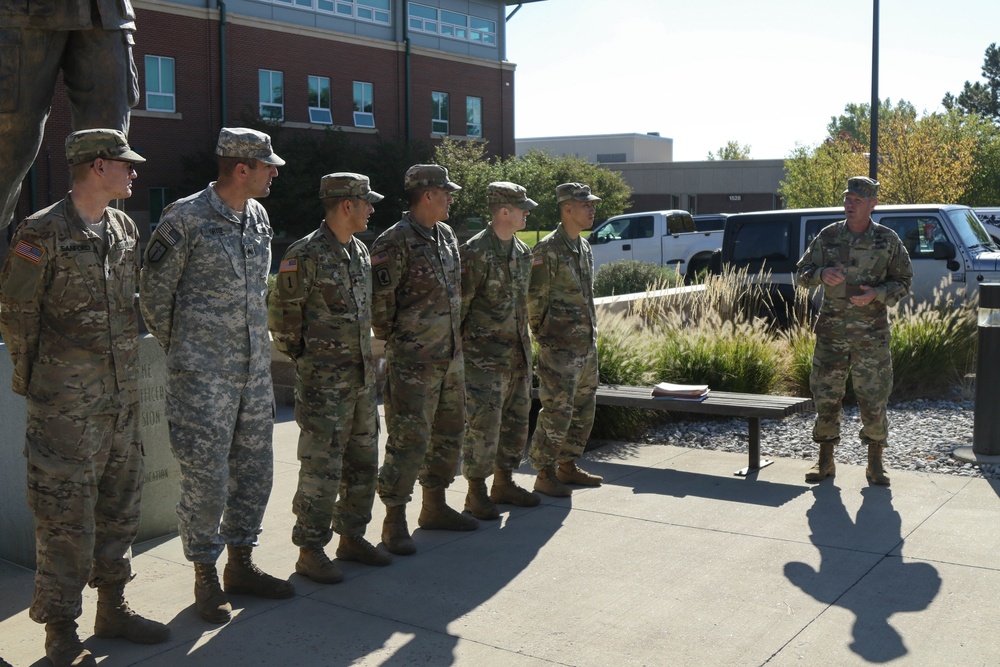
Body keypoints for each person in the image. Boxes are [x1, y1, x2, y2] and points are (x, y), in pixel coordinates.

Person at [0, 129, 168, 667]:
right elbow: (17, 314)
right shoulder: (40, 231)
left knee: (120, 510)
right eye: (126, 164)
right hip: (66, 408)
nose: (134, 173)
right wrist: (41, 385)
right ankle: (60, 628)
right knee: (65, 519)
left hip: (120, 403)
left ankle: (112, 607)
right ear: (98, 167)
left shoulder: (123, 228)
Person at [139, 127, 294, 624]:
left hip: (253, 373)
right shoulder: (185, 217)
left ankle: (241, 563)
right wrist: (186, 352)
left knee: (255, 471)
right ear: (240, 168)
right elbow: (155, 297)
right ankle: (205, 573)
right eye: (268, 165)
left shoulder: (259, 216)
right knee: (206, 479)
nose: (274, 173)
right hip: (202, 376)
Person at [268, 173, 392, 584]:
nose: (371, 209)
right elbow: (283, 321)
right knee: (321, 468)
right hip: (324, 386)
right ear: (346, 206)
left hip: (360, 382)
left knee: (362, 463)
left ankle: (351, 536)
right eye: (366, 202)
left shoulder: (359, 251)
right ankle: (310, 548)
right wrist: (310, 364)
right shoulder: (304, 255)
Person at [372, 164, 478, 555]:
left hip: (450, 358)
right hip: (414, 362)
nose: (451, 197)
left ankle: (434, 507)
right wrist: (406, 341)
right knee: (408, 440)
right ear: (427, 195)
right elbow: (379, 307)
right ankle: (394, 520)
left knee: (450, 434)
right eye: (445, 192)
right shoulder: (392, 242)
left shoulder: (446, 235)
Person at [796, 176, 913, 486]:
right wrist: (822, 273)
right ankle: (825, 461)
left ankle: (875, 462)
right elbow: (802, 273)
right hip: (832, 334)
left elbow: (904, 281)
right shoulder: (828, 236)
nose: (850, 204)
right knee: (826, 395)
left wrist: (876, 294)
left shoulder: (887, 241)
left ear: (873, 204)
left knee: (874, 397)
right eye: (848, 198)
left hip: (870, 335)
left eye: (857, 200)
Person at [0, 0, 139, 230]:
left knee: (109, 145)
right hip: (23, 12)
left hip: (105, 12)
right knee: (11, 135)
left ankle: (97, 248)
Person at [460, 182, 540, 519]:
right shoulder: (474, 252)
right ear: (503, 211)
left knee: (516, 423)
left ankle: (504, 482)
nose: (527, 212)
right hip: (483, 361)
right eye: (522, 208)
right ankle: (476, 492)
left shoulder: (523, 252)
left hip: (517, 356)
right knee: (483, 427)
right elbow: (459, 307)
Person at [527, 182, 604, 497]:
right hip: (559, 348)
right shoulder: (547, 249)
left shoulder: (583, 247)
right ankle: (544, 472)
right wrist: (546, 339)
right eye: (585, 204)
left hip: (585, 346)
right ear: (567, 208)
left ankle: (567, 465)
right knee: (556, 410)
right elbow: (535, 300)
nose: (591, 209)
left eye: (591, 204)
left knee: (584, 407)